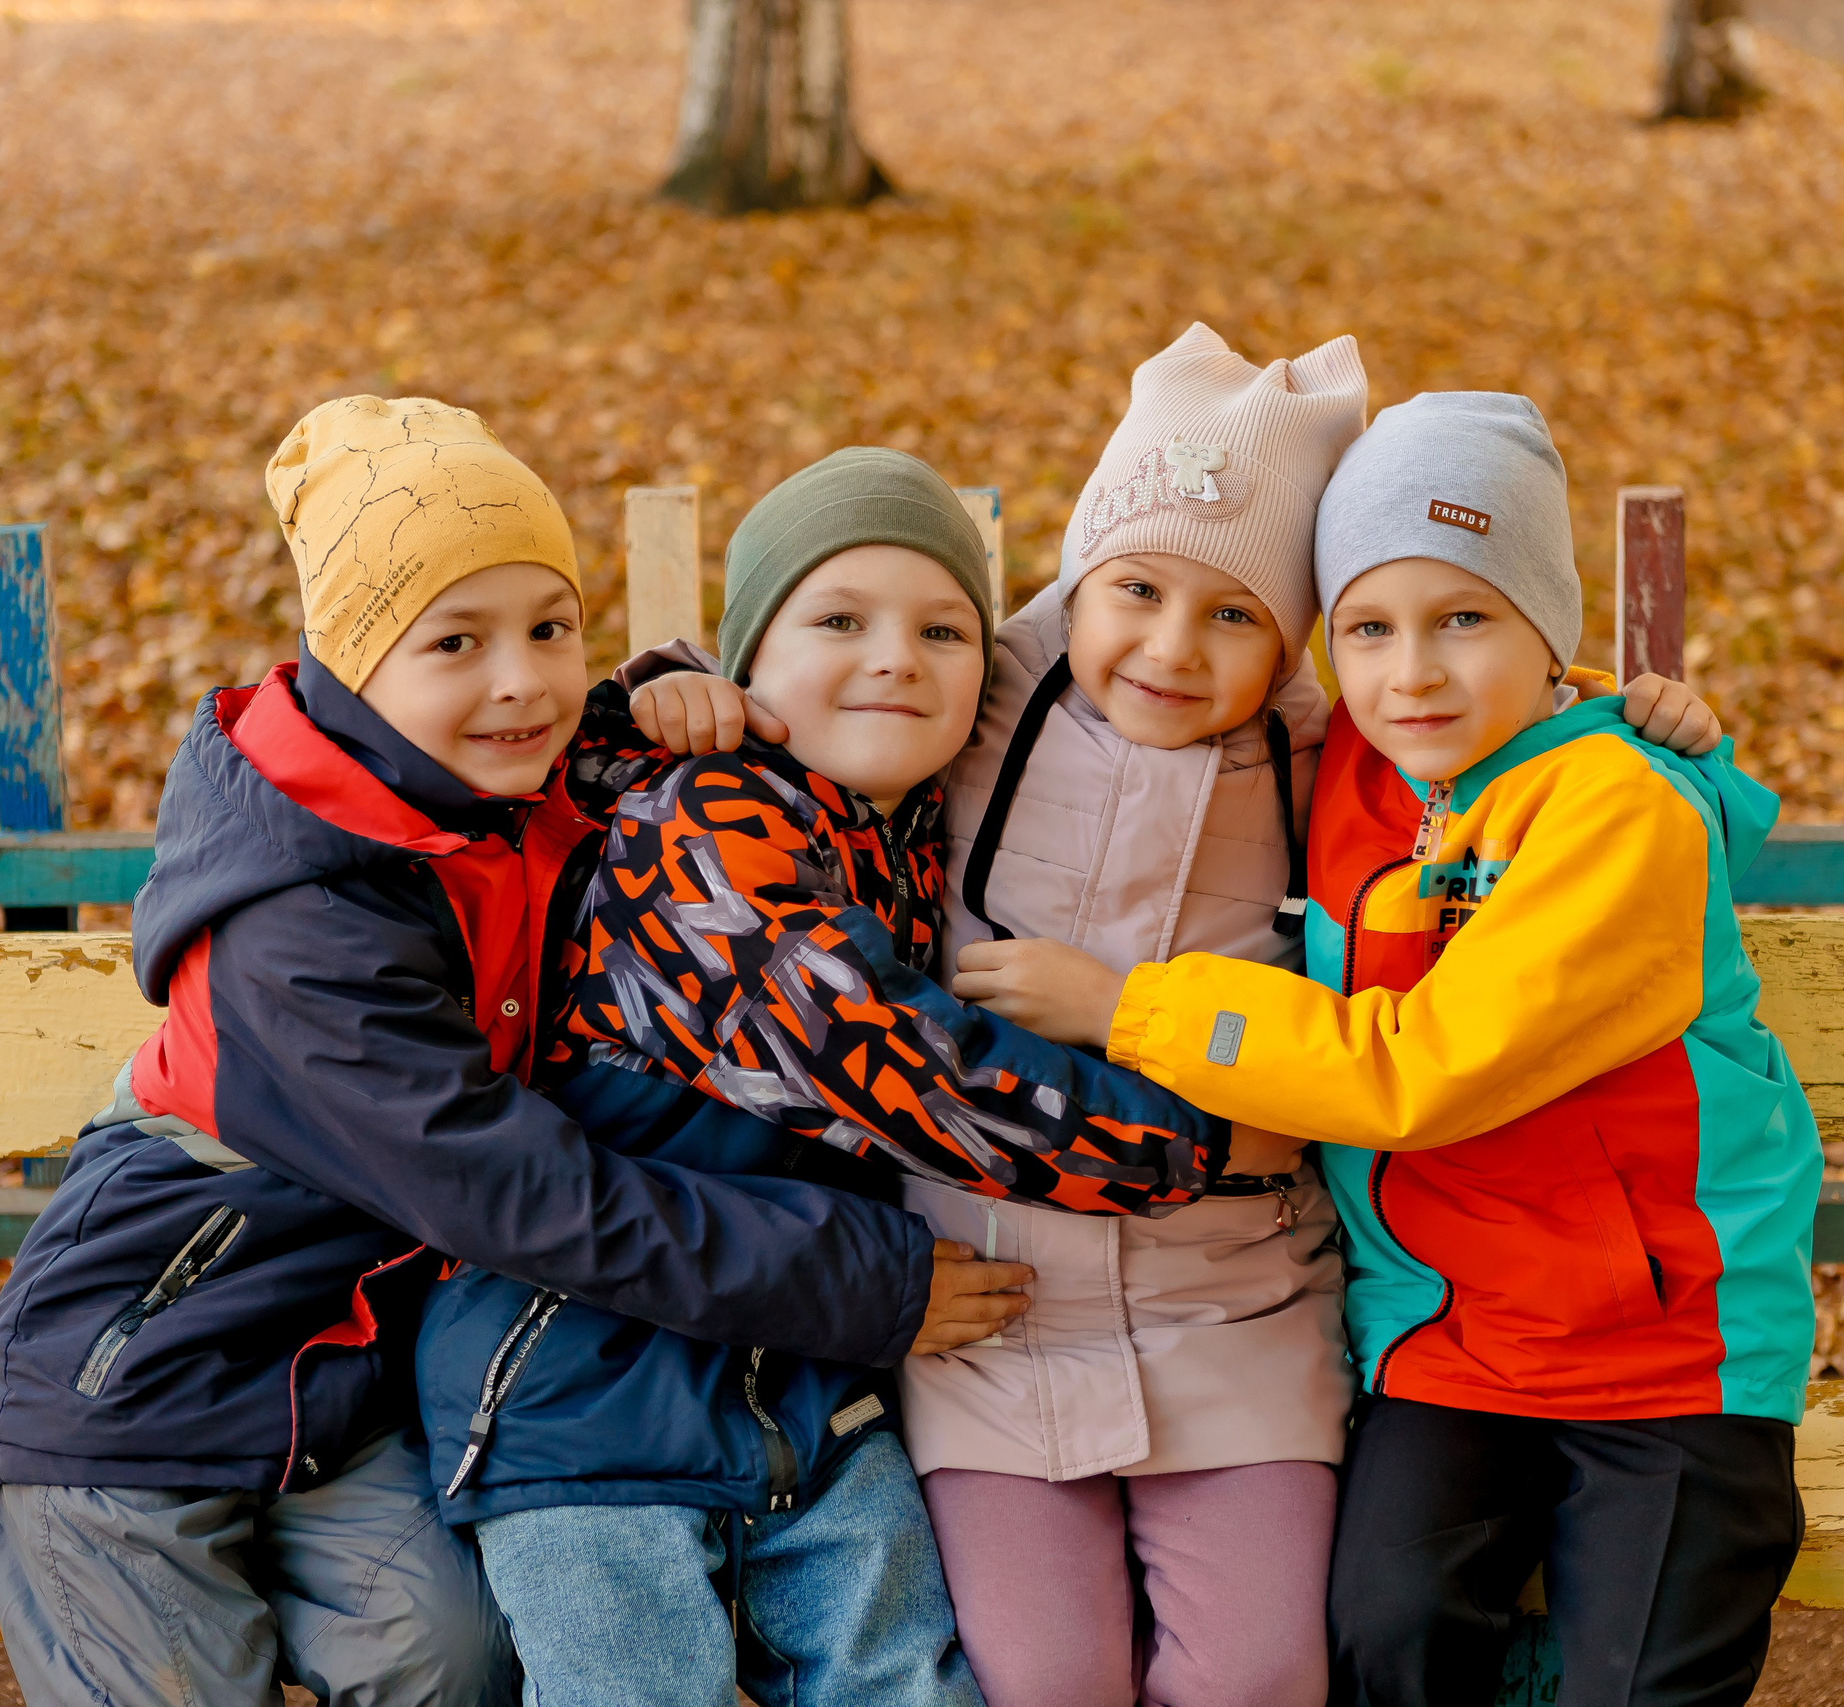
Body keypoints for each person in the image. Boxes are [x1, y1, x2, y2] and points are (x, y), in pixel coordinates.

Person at [0, 397, 1013, 1707]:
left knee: (447, 1656)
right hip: (138, 1391)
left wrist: (654, 696)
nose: (521, 678)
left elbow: (606, 742)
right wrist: (859, 1277)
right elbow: (524, 1192)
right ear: (354, 661)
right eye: (456, 639)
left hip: (347, 1398)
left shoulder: (495, 778)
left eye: (551, 628)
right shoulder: (297, 923)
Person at [956, 392, 1820, 1707]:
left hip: (1668, 1351)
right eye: (1368, 626)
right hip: (1443, 1341)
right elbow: (1125, 620)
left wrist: (1128, 1005)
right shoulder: (1355, 759)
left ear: (1549, 634)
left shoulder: (1619, 804)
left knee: (1639, 1681)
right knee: (1385, 1633)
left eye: (1464, 617)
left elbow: (1419, 1065)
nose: (1411, 670)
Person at [420, 445, 1293, 1707]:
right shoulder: (701, 825)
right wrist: (1196, 1147)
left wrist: (1571, 700)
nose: (896, 657)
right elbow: (889, 1057)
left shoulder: (905, 830)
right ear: (749, 671)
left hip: (810, 1396)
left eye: (944, 631)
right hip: (588, 1398)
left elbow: (1191, 692)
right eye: (840, 620)